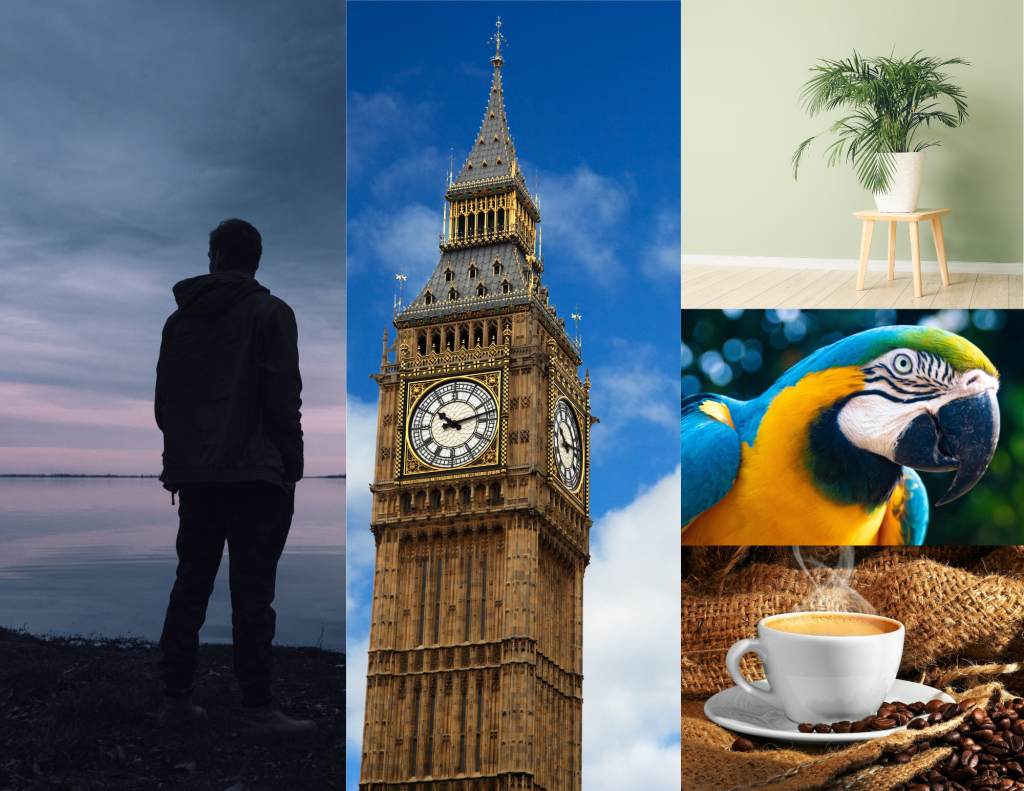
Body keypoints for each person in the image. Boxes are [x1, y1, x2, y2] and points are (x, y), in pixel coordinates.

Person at [154, 218, 316, 738]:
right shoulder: (272, 312)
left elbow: (163, 405)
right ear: (256, 260)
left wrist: (188, 458)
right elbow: (283, 400)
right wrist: (292, 465)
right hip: (256, 478)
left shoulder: (177, 323)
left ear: (216, 258)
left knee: (189, 587)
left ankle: (175, 702)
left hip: (196, 477)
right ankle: (258, 710)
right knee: (252, 596)